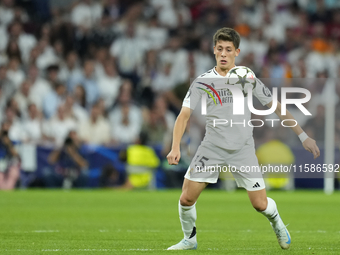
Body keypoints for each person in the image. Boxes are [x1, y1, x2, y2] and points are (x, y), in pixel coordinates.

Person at [166, 27, 320, 250]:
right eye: (219, 49)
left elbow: (275, 106)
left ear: (236, 52)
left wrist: (304, 136)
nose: (223, 53)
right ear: (214, 50)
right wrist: (175, 147)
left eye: (228, 49)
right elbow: (184, 115)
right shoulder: (202, 81)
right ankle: (189, 239)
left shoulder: (247, 76)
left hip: (243, 149)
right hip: (212, 147)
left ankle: (276, 221)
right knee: (186, 199)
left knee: (260, 205)